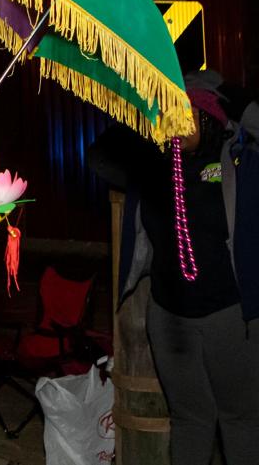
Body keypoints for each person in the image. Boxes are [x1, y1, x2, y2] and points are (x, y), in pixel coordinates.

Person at [89, 69, 258, 465]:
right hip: (169, 319)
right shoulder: (153, 168)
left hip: (229, 317)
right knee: (190, 418)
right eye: (168, 117)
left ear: (210, 119)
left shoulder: (241, 163)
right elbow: (99, 157)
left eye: (186, 116)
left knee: (240, 420)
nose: (175, 127)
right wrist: (138, 106)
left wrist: (228, 91)